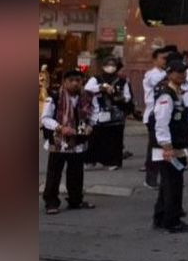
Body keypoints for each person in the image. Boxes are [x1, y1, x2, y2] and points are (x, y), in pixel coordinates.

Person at [149, 59, 188, 233]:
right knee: (173, 185)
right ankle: (172, 221)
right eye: (179, 72)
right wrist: (167, 147)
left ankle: (160, 217)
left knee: (167, 185)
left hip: (177, 145)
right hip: (168, 147)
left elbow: (186, 113)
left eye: (184, 71)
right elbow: (161, 123)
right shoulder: (166, 95)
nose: (183, 75)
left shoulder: (180, 93)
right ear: (170, 73)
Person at [41, 70, 95, 214]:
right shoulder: (54, 97)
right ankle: (51, 203)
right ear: (65, 82)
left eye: (78, 80)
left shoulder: (87, 97)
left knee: (76, 173)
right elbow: (45, 119)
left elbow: (93, 115)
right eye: (71, 80)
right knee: (54, 173)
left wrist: (90, 126)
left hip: (78, 141)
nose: (75, 83)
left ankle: (75, 200)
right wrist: (60, 128)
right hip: (59, 142)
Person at [83, 57, 132, 171]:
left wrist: (118, 96)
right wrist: (102, 87)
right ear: (103, 66)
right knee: (94, 139)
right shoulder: (96, 79)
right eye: (108, 64)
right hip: (97, 114)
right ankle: (90, 161)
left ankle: (112, 162)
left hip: (116, 115)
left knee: (114, 140)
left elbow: (128, 97)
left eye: (113, 65)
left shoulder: (122, 81)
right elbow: (87, 89)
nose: (110, 67)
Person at [139, 46, 172, 189]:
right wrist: (172, 70)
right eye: (163, 58)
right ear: (155, 60)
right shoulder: (151, 74)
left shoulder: (168, 73)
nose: (166, 61)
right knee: (155, 148)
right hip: (153, 115)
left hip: (165, 114)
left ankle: (165, 177)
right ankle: (150, 179)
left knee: (164, 146)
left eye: (167, 58)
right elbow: (157, 81)